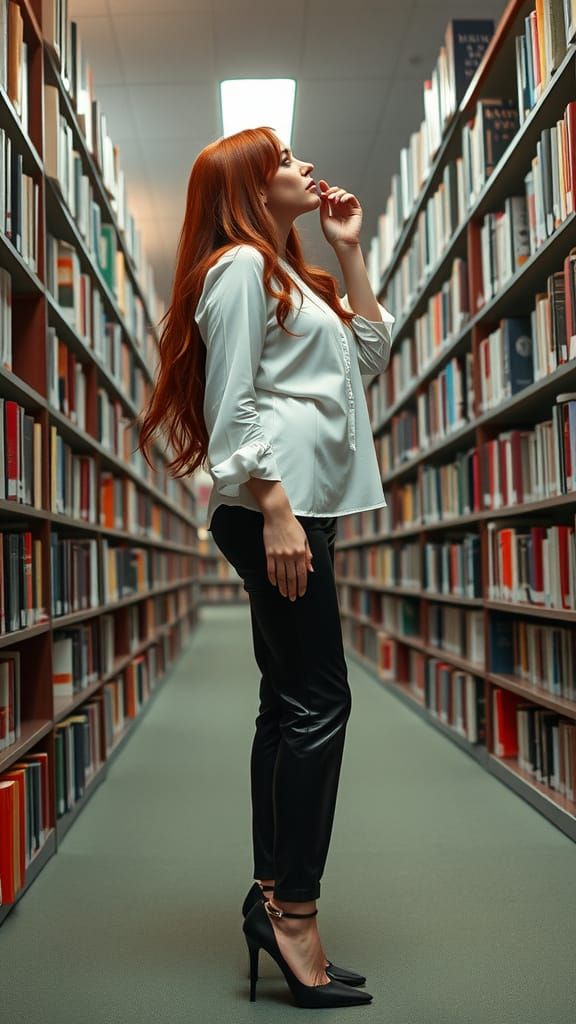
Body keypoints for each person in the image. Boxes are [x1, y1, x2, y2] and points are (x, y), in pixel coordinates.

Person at [138, 126, 395, 1009]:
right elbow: (232, 400)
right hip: (273, 510)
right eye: (283, 161)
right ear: (248, 187)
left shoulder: (282, 273)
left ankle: (268, 893)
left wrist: (348, 251)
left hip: (296, 507)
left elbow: (367, 359)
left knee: (287, 704)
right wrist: (278, 510)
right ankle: (294, 912)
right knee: (323, 702)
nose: (305, 165)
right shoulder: (239, 271)